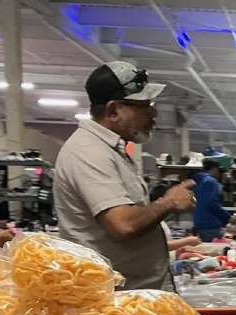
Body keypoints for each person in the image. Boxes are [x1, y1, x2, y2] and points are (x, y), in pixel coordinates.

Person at [55, 60, 196, 291]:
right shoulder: (89, 151)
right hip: (113, 301)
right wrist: (169, 201)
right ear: (113, 111)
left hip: (132, 293)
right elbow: (123, 224)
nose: (153, 112)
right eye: (144, 105)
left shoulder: (110, 150)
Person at [191, 159, 231, 241]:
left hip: (199, 224)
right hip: (210, 225)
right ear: (214, 169)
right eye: (219, 171)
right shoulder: (211, 181)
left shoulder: (198, 181)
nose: (219, 174)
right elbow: (212, 203)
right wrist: (228, 217)